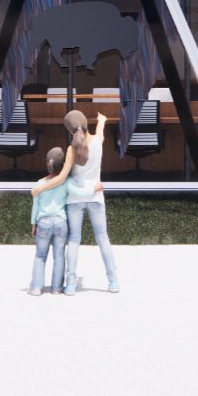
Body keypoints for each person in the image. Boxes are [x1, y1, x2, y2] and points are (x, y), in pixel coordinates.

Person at [59, 108, 118, 292]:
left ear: (70, 131)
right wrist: (102, 120)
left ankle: (70, 284)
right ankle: (113, 281)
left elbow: (62, 177)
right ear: (86, 123)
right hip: (95, 196)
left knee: (74, 239)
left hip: (74, 198)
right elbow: (100, 132)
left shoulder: (71, 149)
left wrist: (41, 187)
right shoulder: (98, 143)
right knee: (103, 238)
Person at [27, 141, 75, 297]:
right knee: (59, 256)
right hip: (61, 222)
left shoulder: (40, 184)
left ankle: (36, 288)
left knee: (40, 256)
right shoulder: (66, 183)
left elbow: (35, 206)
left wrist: (33, 224)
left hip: (43, 222)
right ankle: (56, 289)